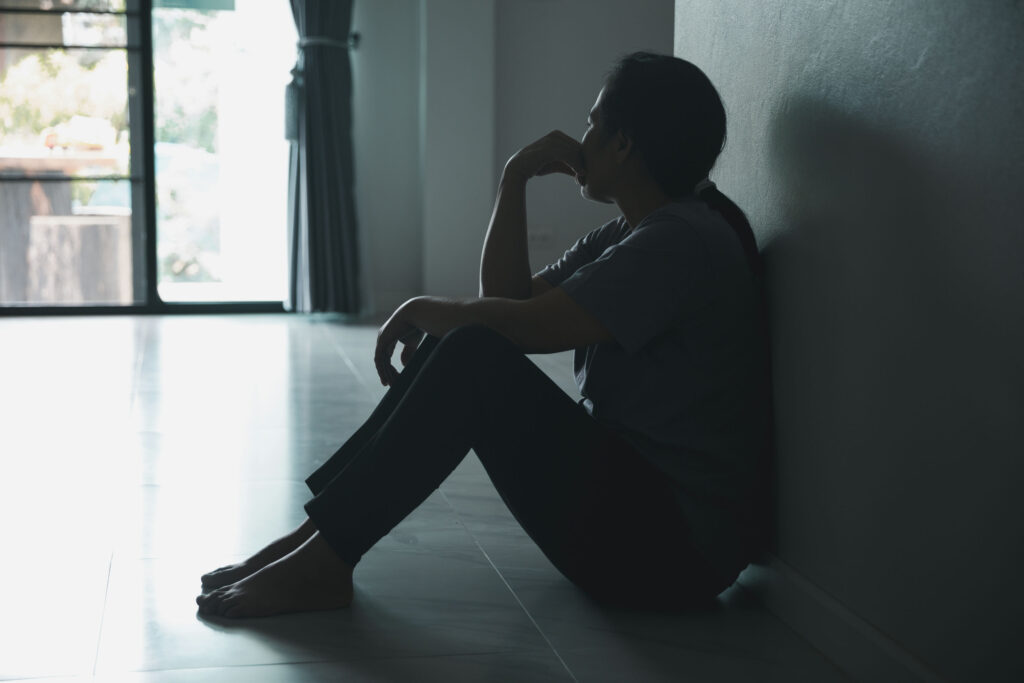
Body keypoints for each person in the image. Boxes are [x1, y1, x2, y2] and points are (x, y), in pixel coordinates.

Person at [196, 52, 772, 619]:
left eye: (593, 123)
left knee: (472, 347)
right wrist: (515, 175)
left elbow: (522, 327)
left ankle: (324, 556)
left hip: (671, 553)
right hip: (640, 518)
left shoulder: (678, 241)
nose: (582, 136)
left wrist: (426, 307)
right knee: (470, 340)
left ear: (624, 144)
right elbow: (508, 302)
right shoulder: (634, 231)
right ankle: (317, 540)